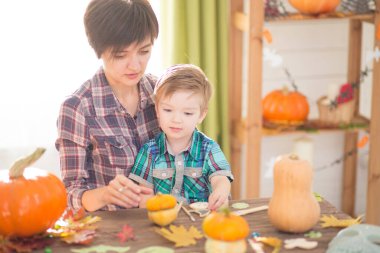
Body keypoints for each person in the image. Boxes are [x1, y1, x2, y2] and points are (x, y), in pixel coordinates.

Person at [56, 0, 161, 212]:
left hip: (163, 220)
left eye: (144, 51)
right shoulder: (78, 108)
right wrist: (105, 195)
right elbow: (70, 194)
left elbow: (194, 153)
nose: (135, 65)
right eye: (121, 55)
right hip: (110, 233)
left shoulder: (162, 93)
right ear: (99, 50)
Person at [129, 64, 233, 210]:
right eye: (168, 110)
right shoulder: (149, 151)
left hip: (202, 221)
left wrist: (220, 191)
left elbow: (220, 177)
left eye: (188, 113)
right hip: (163, 223)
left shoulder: (208, 148)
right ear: (157, 110)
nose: (176, 119)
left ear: (201, 115)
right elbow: (144, 195)